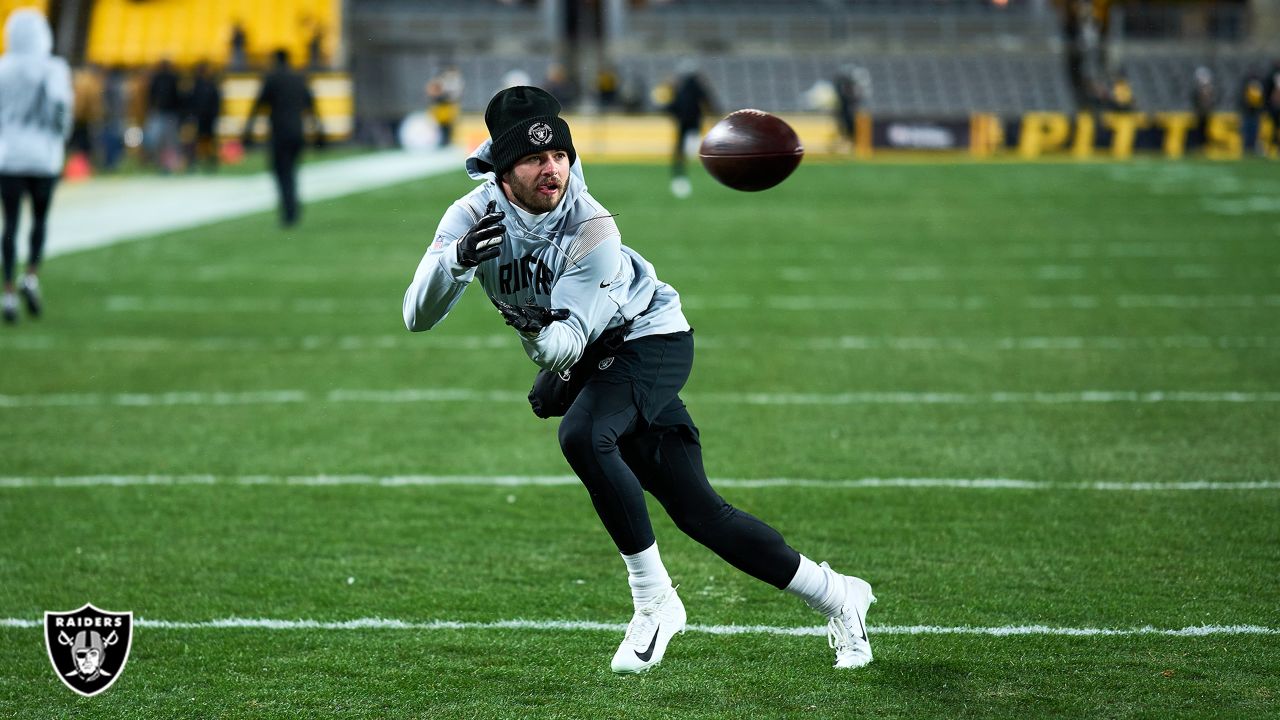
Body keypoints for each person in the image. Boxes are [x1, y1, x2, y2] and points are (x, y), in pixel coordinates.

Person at [402, 86, 875, 674]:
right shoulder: (469, 216)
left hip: (647, 338)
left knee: (582, 435)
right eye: (534, 159)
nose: (553, 170)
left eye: (560, 156)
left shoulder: (593, 227)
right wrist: (455, 263)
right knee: (699, 512)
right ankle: (839, 595)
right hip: (595, 355)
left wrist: (533, 336)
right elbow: (415, 316)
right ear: (502, 167)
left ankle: (655, 602)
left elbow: (566, 343)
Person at [0, 9, 72, 324]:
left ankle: (8, 290)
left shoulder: (3, 68)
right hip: (43, 156)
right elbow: (60, 107)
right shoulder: (53, 68)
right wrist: (60, 136)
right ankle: (31, 275)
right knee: (40, 220)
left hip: (9, 155)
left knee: (10, 225)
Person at [243, 49, 322, 227]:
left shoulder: (272, 79)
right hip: (297, 132)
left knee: (281, 172)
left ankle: (289, 212)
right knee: (292, 171)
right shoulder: (299, 78)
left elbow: (257, 105)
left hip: (280, 132)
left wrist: (247, 131)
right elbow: (312, 106)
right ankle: (293, 209)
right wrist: (319, 131)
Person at [664, 61, 715, 199]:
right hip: (691, 125)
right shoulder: (691, 87)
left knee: (684, 153)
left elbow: (675, 106)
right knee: (686, 152)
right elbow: (708, 101)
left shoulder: (683, 88)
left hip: (687, 125)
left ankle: (680, 178)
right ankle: (681, 178)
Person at [185, 61, 222, 172]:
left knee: (209, 140)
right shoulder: (195, 85)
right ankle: (193, 162)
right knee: (196, 141)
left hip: (209, 118)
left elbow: (216, 102)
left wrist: (214, 114)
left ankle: (211, 162)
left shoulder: (211, 85)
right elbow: (191, 101)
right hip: (198, 118)